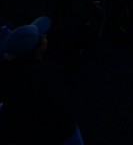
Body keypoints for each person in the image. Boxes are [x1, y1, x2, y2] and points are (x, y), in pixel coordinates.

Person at [0, 16, 85, 145]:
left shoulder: (10, 71)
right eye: (42, 37)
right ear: (38, 49)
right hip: (58, 133)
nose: (45, 36)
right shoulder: (47, 78)